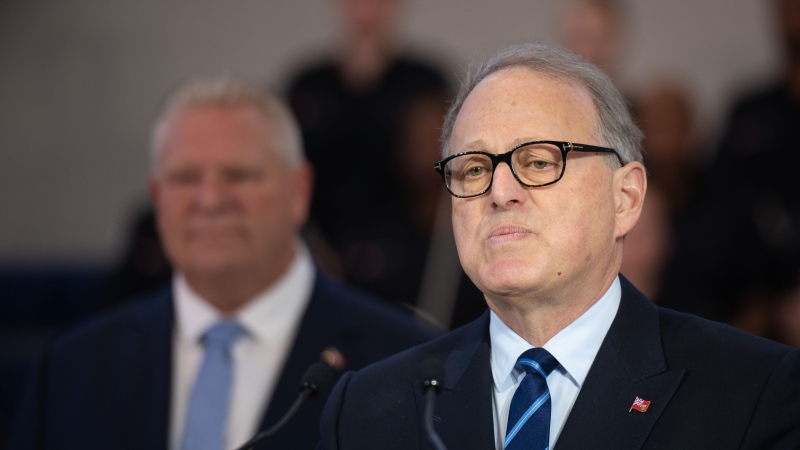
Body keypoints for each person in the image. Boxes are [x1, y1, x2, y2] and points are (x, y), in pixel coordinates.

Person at [316, 43, 800, 449]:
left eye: (540, 161)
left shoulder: (755, 392)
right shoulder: (365, 409)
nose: (499, 192)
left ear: (626, 198)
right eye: (475, 169)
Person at [8, 79, 438, 450]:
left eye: (239, 175)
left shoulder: (406, 366)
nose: (211, 200)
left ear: (299, 190)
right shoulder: (70, 370)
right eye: (185, 178)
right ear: (158, 199)